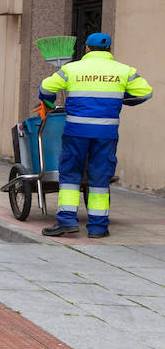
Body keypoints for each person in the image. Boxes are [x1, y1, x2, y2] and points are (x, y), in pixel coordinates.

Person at [38, 33, 153, 239]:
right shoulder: (123, 71)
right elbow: (145, 93)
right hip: (106, 134)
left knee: (70, 176)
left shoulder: (71, 69)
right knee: (100, 179)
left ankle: (67, 221)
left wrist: (47, 102)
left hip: (76, 133)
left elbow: (45, 88)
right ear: (109, 50)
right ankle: (98, 228)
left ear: (87, 49)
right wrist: (121, 99)